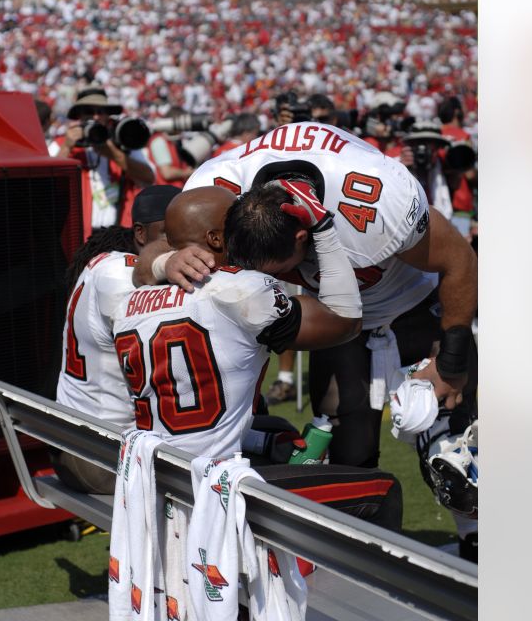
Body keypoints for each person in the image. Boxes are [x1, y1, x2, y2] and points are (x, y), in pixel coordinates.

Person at [137, 121, 477, 555]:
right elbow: (144, 255)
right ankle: (364, 561)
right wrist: (168, 259)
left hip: (411, 302)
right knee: (346, 450)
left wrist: (451, 361)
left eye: (278, 270)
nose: (266, 281)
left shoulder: (376, 198)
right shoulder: (215, 189)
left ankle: (475, 541)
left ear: (302, 237)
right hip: (334, 318)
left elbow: (461, 261)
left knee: (453, 455)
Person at [115, 184, 403, 530]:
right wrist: (324, 231)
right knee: (383, 491)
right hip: (212, 485)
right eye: (236, 221)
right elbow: (345, 321)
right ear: (217, 239)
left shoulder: (129, 303)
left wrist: (161, 261)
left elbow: (144, 270)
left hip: (156, 473)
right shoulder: (240, 289)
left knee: (277, 430)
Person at [52, 185, 181, 494]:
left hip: (80, 441)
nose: (179, 244)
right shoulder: (121, 273)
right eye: (168, 234)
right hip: (99, 453)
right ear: (140, 233)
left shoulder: (105, 263)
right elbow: (163, 376)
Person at [51, 87, 156, 229]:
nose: (95, 117)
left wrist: (114, 154)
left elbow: (148, 178)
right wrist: (66, 147)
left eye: (101, 112)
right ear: (79, 116)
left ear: (108, 116)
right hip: (80, 232)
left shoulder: (123, 142)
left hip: (119, 231)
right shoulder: (62, 143)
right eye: (89, 112)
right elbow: (47, 185)